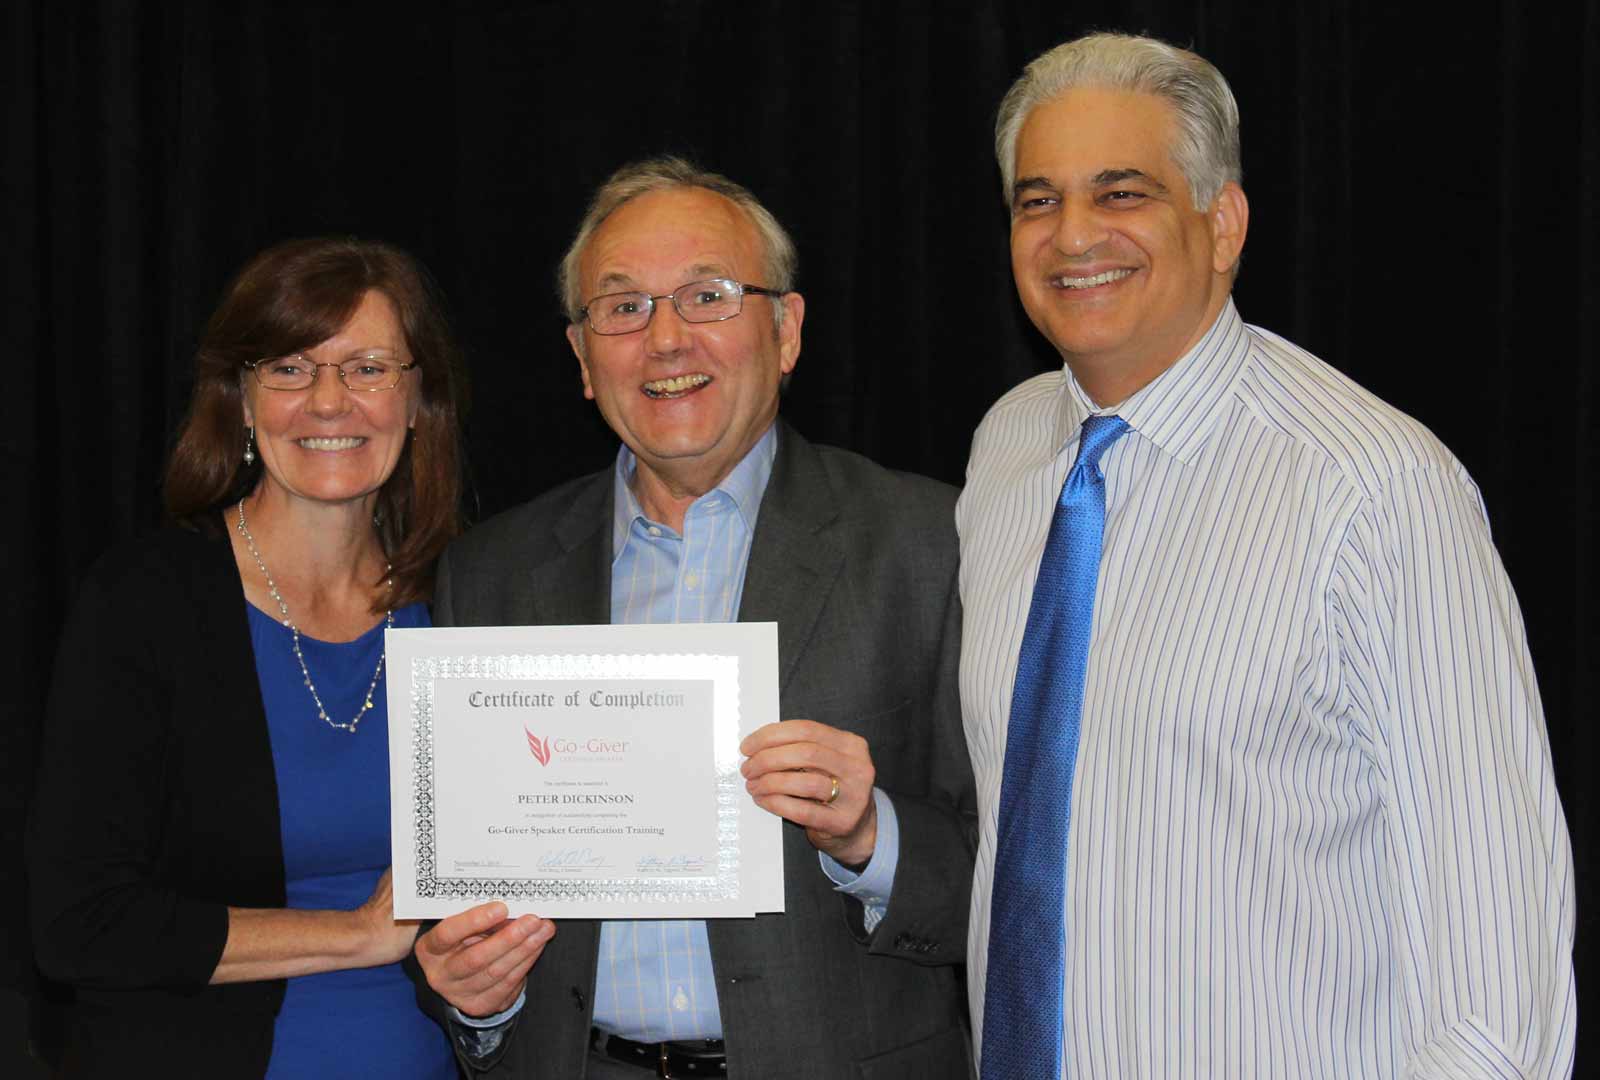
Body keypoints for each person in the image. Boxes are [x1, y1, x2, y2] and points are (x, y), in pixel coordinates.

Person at [958, 32, 1577, 1080]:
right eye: (1037, 200)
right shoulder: (1007, 447)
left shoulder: (1374, 488)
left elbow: (1497, 984)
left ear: (1223, 222)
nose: (1072, 237)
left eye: (1121, 194)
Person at [411, 157, 977, 1079]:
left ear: (786, 331)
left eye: (708, 296)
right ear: (583, 359)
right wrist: (474, 992)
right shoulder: (490, 575)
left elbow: (1017, 876)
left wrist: (871, 835)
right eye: (623, 307)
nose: (666, 339)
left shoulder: (930, 541)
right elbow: (469, 902)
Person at [27, 237, 469, 1077]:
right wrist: (353, 935)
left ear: (418, 400)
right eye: (291, 369)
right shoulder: (143, 602)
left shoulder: (469, 603)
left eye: (369, 368)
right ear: (239, 399)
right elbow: (78, 925)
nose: (330, 402)